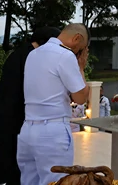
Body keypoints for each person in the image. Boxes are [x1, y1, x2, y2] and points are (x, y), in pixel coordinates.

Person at [0, 27, 60, 185]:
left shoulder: (19, 53)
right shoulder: (33, 57)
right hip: (13, 119)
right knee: (11, 168)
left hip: (1, 115)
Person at [18, 23, 90, 185]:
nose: (78, 53)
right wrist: (81, 68)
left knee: (29, 181)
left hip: (28, 130)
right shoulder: (65, 55)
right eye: (80, 49)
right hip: (52, 132)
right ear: (77, 38)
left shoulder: (33, 54)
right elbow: (80, 98)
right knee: (57, 181)